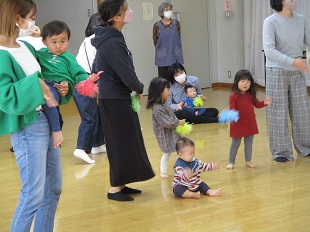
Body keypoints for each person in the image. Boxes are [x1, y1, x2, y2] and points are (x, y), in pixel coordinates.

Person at [0, 0, 64, 230]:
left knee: (53, 188)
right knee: (32, 196)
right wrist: (39, 86)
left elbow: (43, 78)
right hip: (28, 127)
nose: (33, 22)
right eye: (31, 16)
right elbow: (5, 95)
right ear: (17, 17)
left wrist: (58, 87)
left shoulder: (25, 47)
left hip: (45, 121)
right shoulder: (1, 53)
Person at [91, 0, 155, 201]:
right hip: (113, 98)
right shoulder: (111, 41)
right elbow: (125, 71)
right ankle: (114, 189)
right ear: (116, 17)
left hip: (116, 96)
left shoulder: (112, 37)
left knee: (127, 140)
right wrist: (139, 87)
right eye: (126, 10)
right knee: (119, 142)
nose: (130, 12)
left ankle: (122, 182)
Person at [37, 20, 96, 151]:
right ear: (44, 42)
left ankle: (56, 130)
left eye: (63, 41)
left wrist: (87, 78)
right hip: (41, 84)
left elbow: (77, 72)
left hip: (55, 86)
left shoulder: (68, 57)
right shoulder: (40, 53)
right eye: (54, 42)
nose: (58, 45)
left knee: (50, 100)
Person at [263, 0, 310, 162]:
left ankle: (305, 147)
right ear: (282, 1)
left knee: (302, 112)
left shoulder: (301, 20)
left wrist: (302, 62)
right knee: (277, 113)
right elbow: (269, 51)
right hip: (276, 71)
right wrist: (294, 61)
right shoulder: (270, 22)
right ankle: (281, 151)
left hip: (297, 72)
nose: (296, 1)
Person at [73, 14, 106, 164]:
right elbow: (92, 66)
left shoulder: (94, 40)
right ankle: (81, 148)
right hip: (83, 81)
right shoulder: (92, 40)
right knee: (89, 116)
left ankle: (97, 145)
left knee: (95, 112)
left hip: (86, 79)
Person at [226, 70, 272, 170]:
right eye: (242, 81)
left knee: (249, 144)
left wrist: (264, 102)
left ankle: (248, 161)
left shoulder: (250, 94)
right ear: (236, 82)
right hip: (238, 124)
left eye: (248, 82)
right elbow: (232, 108)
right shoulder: (233, 96)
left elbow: (257, 104)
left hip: (250, 123)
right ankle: (231, 162)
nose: (245, 84)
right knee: (235, 144)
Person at [146, 77, 185, 179]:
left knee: (181, 147)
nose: (169, 92)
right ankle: (163, 171)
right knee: (167, 152)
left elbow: (172, 115)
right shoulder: (157, 108)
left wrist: (177, 121)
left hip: (172, 130)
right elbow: (166, 122)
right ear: (159, 92)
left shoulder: (164, 103)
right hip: (164, 133)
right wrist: (178, 122)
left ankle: (185, 166)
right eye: (167, 90)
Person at [153, 2, 183, 79]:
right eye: (166, 9)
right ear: (161, 12)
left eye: (170, 9)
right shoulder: (157, 26)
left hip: (175, 54)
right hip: (163, 57)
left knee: (177, 78)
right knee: (163, 80)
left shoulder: (176, 23)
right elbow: (155, 41)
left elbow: (178, 36)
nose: (168, 11)